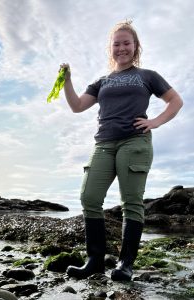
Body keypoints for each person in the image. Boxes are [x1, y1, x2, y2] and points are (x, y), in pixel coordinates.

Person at [61, 20, 183, 281]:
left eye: (127, 43)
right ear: (111, 48)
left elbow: (175, 101)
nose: (121, 48)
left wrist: (155, 122)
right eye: (117, 44)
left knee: (131, 202)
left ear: (135, 46)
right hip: (103, 143)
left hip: (134, 142)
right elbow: (77, 106)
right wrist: (67, 81)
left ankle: (125, 264)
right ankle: (94, 261)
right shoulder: (102, 81)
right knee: (89, 197)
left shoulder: (147, 76)